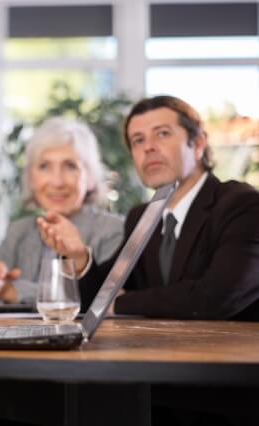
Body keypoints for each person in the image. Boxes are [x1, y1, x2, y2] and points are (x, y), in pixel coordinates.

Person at [38, 95, 259, 321]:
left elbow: (217, 297)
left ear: (198, 144)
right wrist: (79, 257)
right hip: (160, 352)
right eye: (138, 140)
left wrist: (123, 303)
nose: (149, 147)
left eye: (162, 133)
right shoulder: (141, 217)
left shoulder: (242, 205)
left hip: (231, 352)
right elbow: (101, 297)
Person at [0, 118, 123, 305]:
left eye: (70, 166)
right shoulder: (19, 231)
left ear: (90, 178)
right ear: (31, 178)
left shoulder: (113, 230)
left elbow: (103, 298)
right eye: (44, 167)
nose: (57, 182)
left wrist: (12, 289)